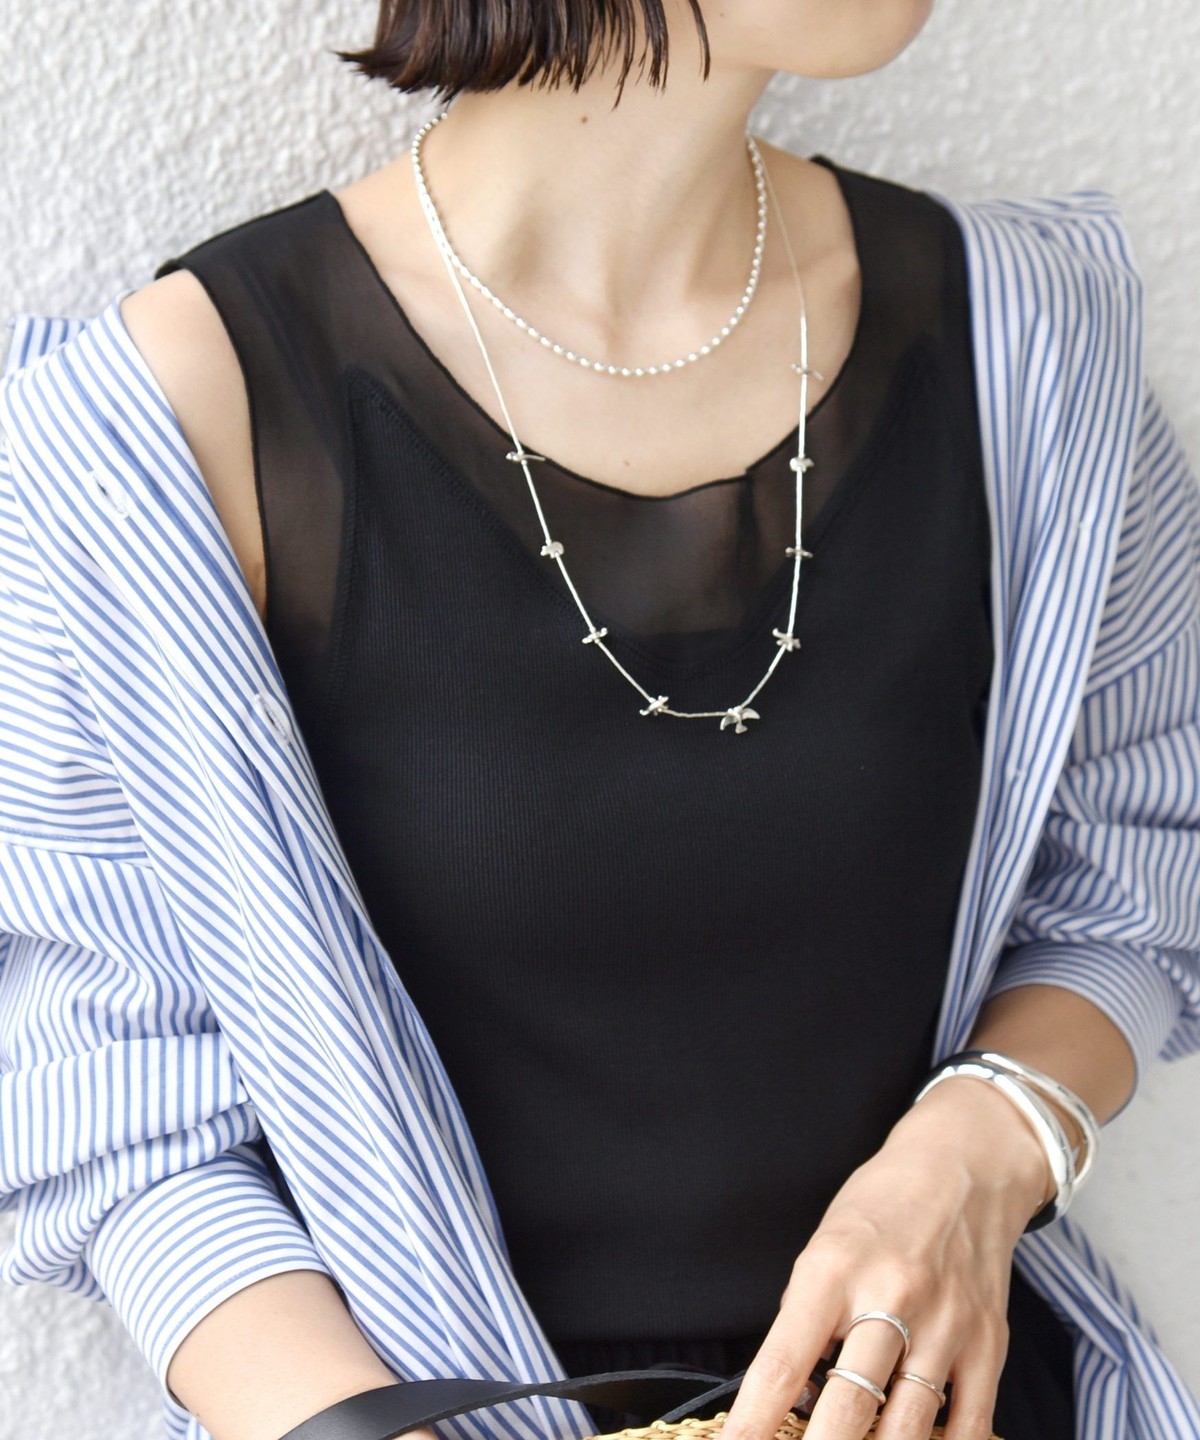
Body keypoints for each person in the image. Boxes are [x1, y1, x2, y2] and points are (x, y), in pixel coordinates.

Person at [1, 3, 1198, 1440]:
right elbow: (117, 1108)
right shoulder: (165, 428)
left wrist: (977, 1154)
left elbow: (1136, 871)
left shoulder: (1033, 345)